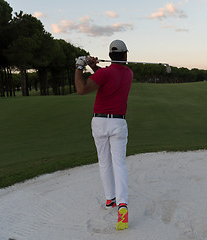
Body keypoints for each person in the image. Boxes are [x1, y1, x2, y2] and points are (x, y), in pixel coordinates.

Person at [74, 40, 133, 230]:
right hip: (118, 123)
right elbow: (106, 74)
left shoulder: (105, 73)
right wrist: (92, 65)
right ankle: (122, 205)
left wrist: (79, 66)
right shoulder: (128, 73)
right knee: (119, 163)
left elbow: (82, 89)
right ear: (125, 55)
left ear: (110, 55)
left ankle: (110, 200)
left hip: (99, 123)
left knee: (104, 162)